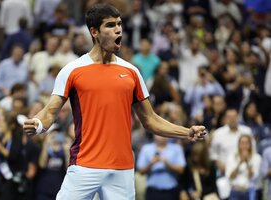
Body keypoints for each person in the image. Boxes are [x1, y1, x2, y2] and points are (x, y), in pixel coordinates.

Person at [23, 3, 207, 200]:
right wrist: (39, 124)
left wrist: (186, 132)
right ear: (94, 32)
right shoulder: (72, 70)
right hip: (85, 165)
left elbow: (151, 120)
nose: (118, 29)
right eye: (110, 25)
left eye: (119, 24)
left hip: (122, 170)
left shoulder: (132, 72)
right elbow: (50, 111)